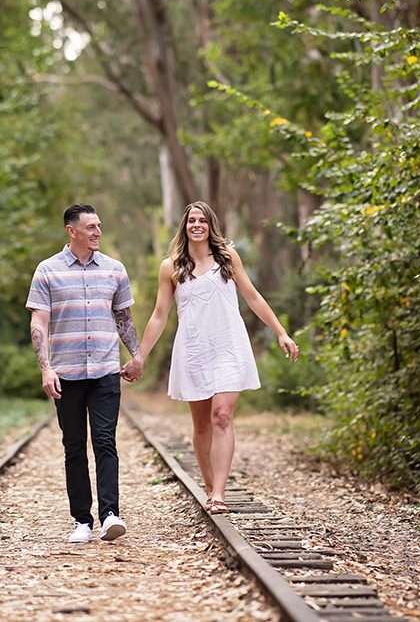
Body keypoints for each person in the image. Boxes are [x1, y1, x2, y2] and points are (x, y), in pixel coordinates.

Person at [122, 201, 298, 514]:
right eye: (192, 220)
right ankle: (207, 484)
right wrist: (140, 356)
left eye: (203, 220)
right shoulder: (171, 266)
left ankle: (219, 493)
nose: (197, 225)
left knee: (222, 415)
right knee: (202, 424)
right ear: (185, 226)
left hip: (229, 346)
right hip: (193, 350)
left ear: (210, 225)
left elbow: (253, 296)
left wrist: (281, 331)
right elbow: (160, 316)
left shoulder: (227, 257)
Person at [26, 203, 142, 543]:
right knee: (73, 445)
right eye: (91, 227)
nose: (97, 232)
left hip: (105, 369)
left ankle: (110, 515)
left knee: (105, 441)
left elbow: (123, 318)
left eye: (99, 226)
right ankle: (82, 520)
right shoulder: (47, 271)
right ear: (71, 231)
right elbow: (39, 322)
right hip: (66, 372)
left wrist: (136, 355)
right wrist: (46, 369)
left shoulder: (114, 269)